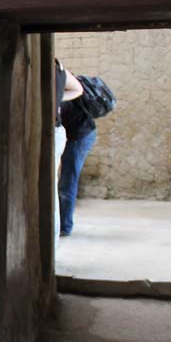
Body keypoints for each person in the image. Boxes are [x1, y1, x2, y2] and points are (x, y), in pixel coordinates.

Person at [58, 75, 96, 237]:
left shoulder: (59, 86)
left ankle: (65, 226)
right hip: (77, 133)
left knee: (68, 180)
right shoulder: (59, 85)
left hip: (80, 136)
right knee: (66, 180)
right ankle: (63, 223)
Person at [54, 61, 83, 243]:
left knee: (64, 182)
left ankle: (60, 230)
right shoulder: (59, 67)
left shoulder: (52, 68)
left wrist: (56, 98)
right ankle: (56, 235)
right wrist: (57, 98)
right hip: (59, 132)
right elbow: (77, 89)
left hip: (59, 132)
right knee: (54, 186)